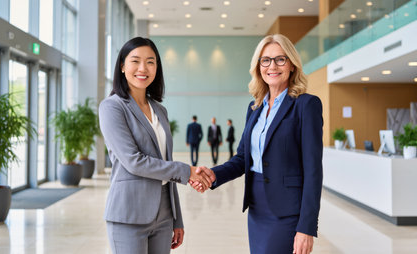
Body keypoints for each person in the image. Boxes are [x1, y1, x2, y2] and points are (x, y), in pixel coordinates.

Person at [191, 34, 323, 254]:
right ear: (258, 66)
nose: (272, 66)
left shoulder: (306, 105)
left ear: (292, 65)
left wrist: (306, 227)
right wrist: (213, 175)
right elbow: (242, 158)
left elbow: (313, 171)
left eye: (280, 59)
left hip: (288, 213)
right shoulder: (255, 108)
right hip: (257, 208)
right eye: (266, 60)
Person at [99, 37, 213, 254]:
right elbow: (134, 162)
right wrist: (187, 171)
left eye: (150, 62)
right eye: (135, 61)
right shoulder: (112, 107)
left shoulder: (159, 110)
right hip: (129, 214)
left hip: (163, 214)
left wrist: (176, 217)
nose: (143, 68)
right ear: (122, 66)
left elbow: (164, 162)